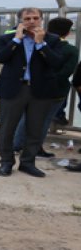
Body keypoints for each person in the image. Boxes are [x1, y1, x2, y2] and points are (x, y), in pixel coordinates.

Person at [0, 7, 62, 178]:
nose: (32, 21)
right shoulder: (8, 38)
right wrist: (16, 40)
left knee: (35, 129)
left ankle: (28, 163)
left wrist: (41, 44)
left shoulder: (52, 40)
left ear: (41, 20)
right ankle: (6, 162)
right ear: (21, 20)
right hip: (14, 89)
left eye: (35, 18)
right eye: (28, 18)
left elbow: (56, 63)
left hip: (40, 91)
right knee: (7, 128)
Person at [12, 17, 78, 158]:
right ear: (67, 33)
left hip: (33, 87)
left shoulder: (37, 44)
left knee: (26, 118)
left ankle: (16, 145)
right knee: (44, 121)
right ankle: (35, 149)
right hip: (56, 91)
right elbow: (67, 72)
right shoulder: (70, 50)